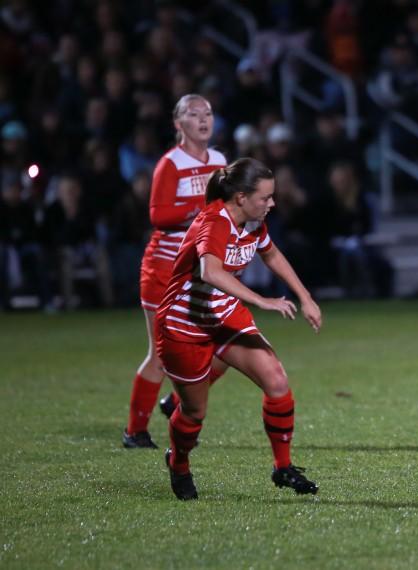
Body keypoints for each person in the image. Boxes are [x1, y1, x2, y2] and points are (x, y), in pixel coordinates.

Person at [156, 157, 321, 500]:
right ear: (241, 198)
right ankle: (179, 463)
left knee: (276, 381)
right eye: (265, 197)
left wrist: (305, 297)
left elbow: (271, 254)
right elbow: (210, 272)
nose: (272, 203)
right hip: (184, 326)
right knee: (194, 413)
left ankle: (283, 467)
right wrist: (262, 301)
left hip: (226, 317)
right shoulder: (214, 221)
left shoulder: (253, 221)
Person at [122, 94, 228, 449]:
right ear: (178, 124)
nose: (203, 119)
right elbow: (159, 216)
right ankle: (135, 431)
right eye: (194, 114)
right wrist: (199, 208)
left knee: (222, 350)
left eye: (208, 113)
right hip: (164, 268)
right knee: (160, 355)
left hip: (201, 270)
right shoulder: (170, 163)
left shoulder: (220, 160)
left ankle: (176, 402)